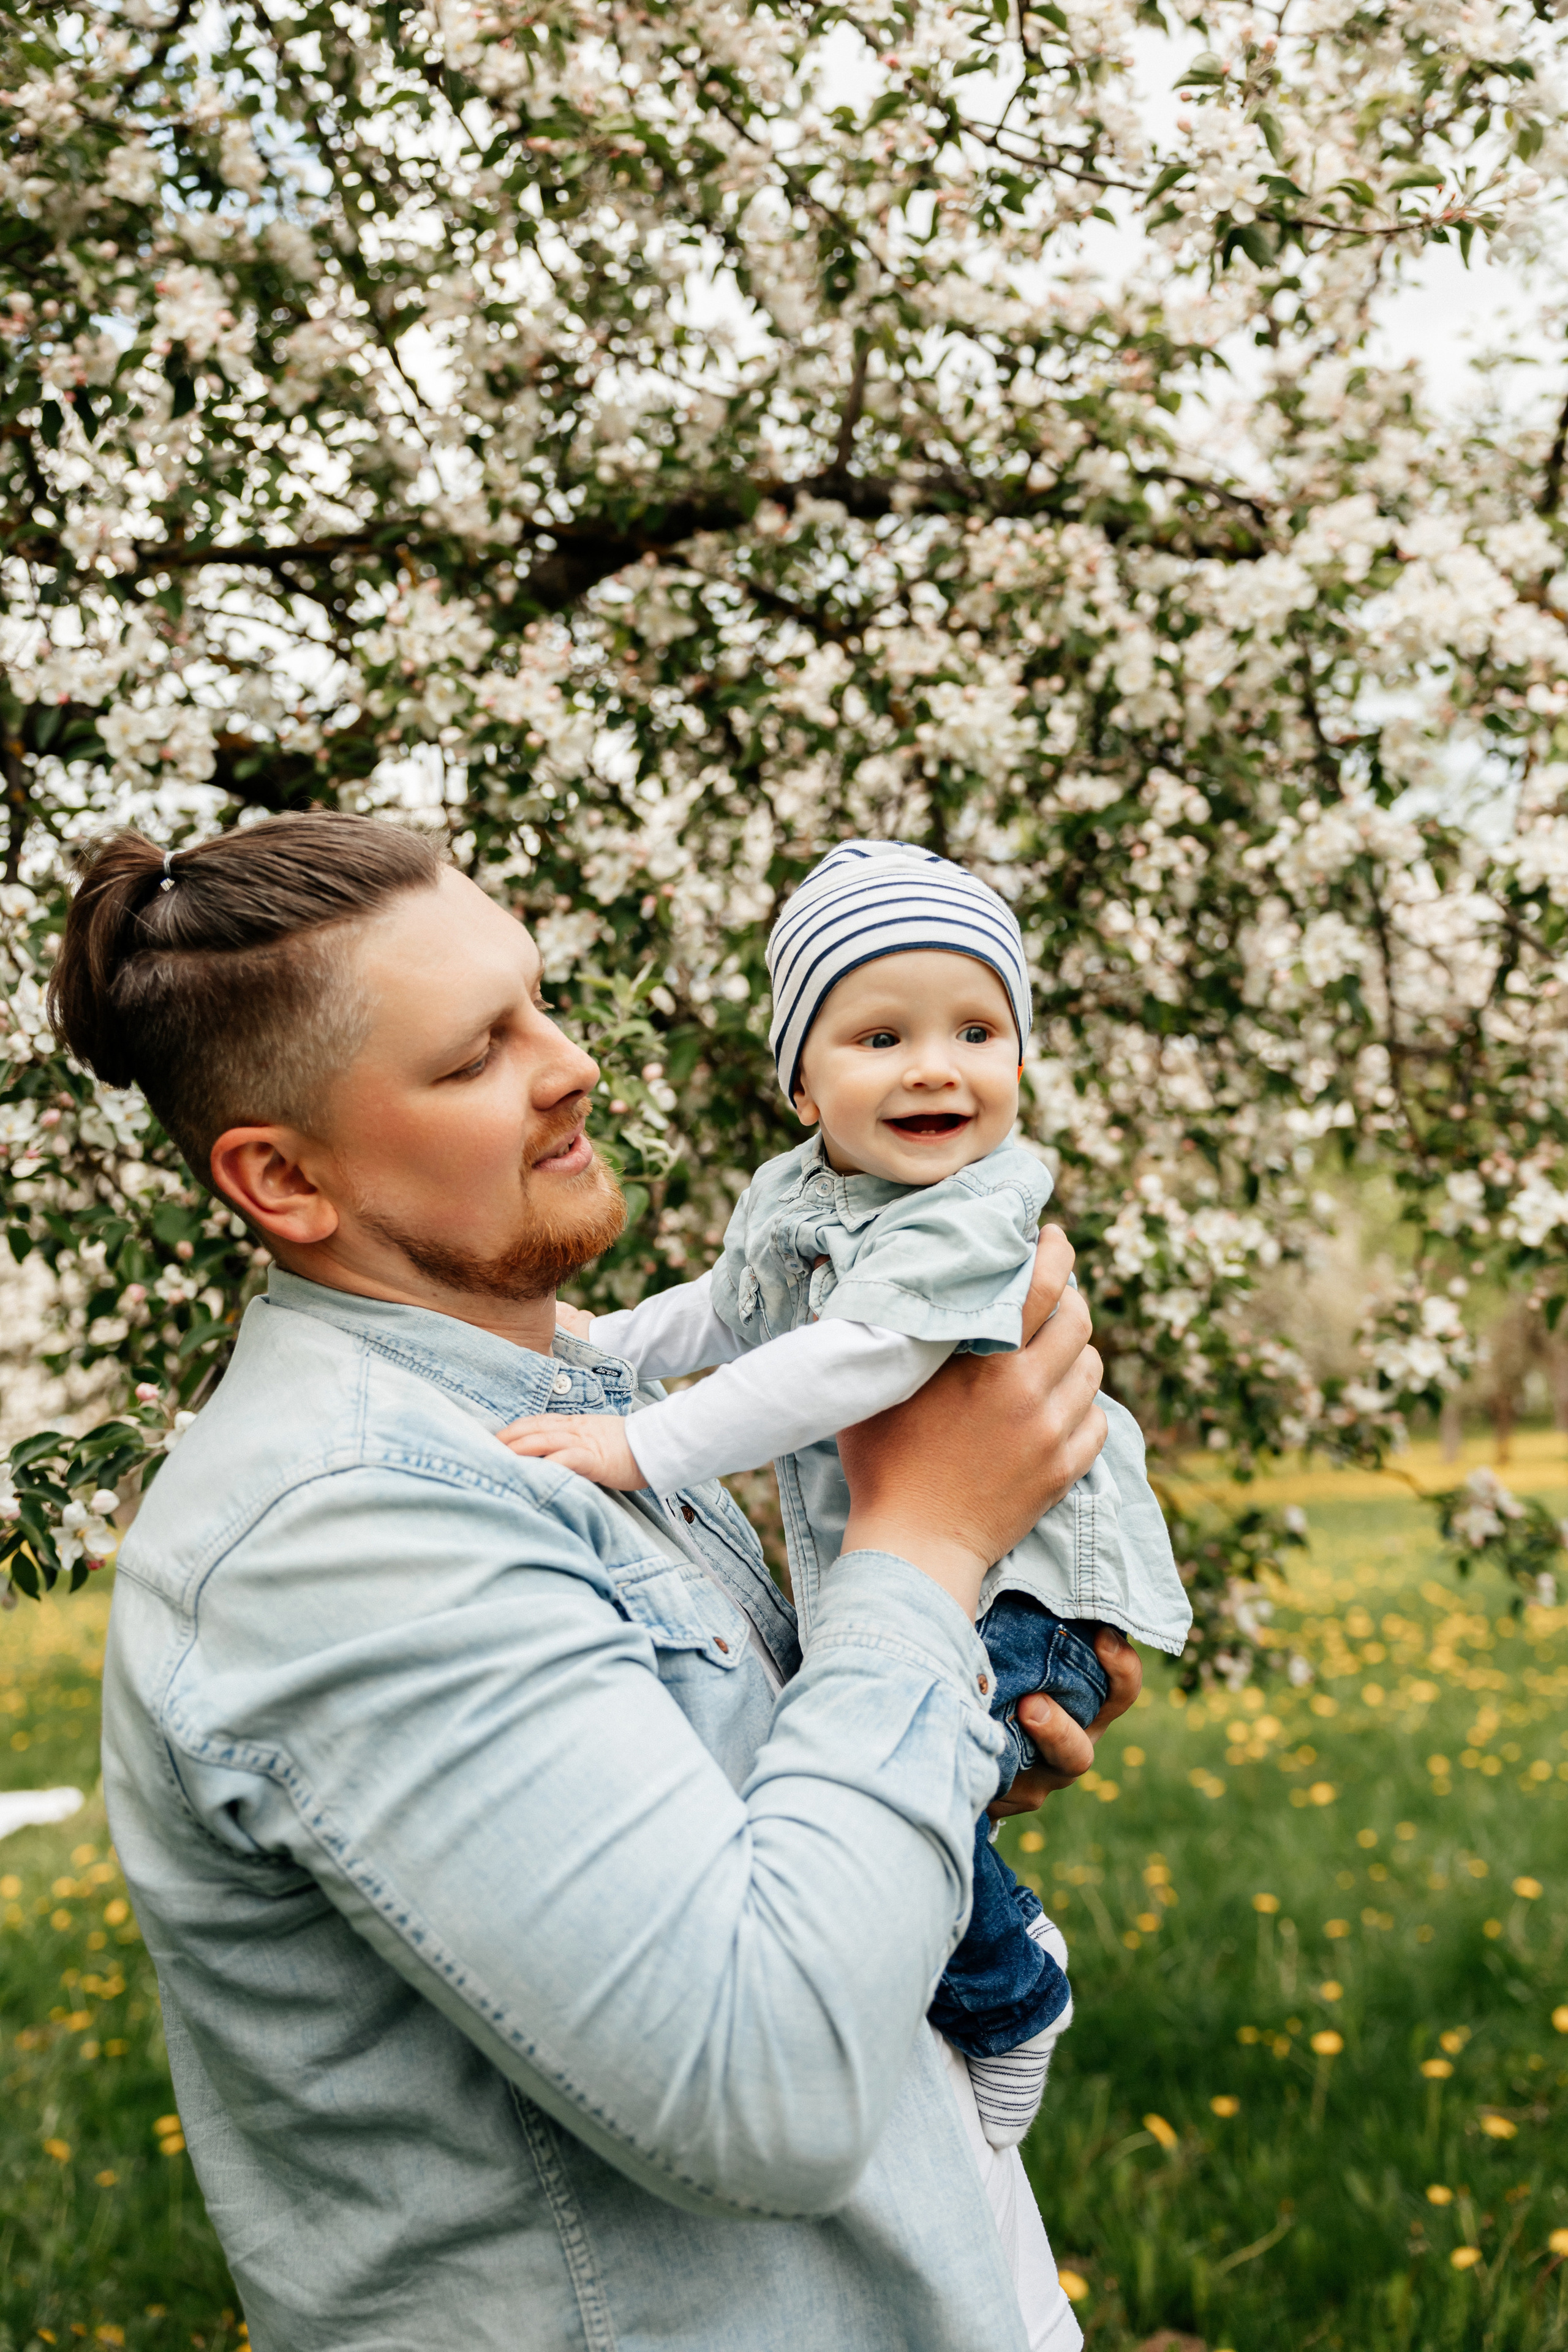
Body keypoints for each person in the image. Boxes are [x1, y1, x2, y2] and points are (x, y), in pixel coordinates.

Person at [54, 814, 1139, 2352]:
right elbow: (757, 2092)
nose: (570, 1068)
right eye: (471, 1055)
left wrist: (950, 1722)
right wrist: (930, 1546)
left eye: (539, 1003)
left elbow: (759, 1845)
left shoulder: (557, 1399)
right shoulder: (345, 1531)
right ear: (282, 1179)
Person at [499, 839, 1191, 2150]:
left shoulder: (970, 1212)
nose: (937, 1066)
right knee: (865, 1781)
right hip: (943, 1573)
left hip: (1025, 1597)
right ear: (800, 1083)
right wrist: (599, 1349)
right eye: (881, 1036)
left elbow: (856, 1358)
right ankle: (967, 1977)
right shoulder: (801, 1196)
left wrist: (639, 1446)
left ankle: (1007, 1993)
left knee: (897, 1795)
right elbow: (729, 1310)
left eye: (976, 1029)